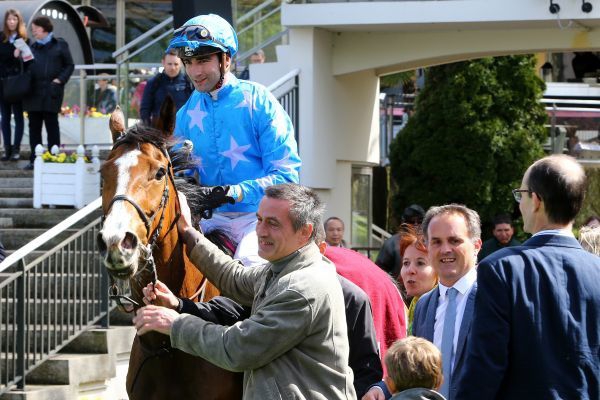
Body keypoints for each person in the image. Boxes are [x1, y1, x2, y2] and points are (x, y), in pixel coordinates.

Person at [133, 184, 356, 399]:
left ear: (305, 232)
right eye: (259, 220)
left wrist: (175, 324)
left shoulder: (300, 288)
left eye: (273, 223)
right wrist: (188, 232)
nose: (260, 231)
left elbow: (238, 348)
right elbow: (235, 278)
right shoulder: (283, 269)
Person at [455, 154, 600, 400]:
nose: (519, 204)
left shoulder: (501, 268)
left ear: (535, 200)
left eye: (520, 194)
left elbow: (485, 366)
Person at [167, 14, 300, 267]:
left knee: (248, 265)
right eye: (189, 62)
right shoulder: (185, 115)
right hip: (208, 219)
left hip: (258, 217)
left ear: (226, 59)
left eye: (203, 60)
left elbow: (287, 176)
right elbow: (178, 178)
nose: (195, 72)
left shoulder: (259, 101)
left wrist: (232, 192)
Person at [364, 204, 481, 400]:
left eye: (454, 240)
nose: (445, 249)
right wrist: (382, 389)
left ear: (476, 245)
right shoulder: (424, 305)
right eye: (436, 242)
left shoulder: (495, 299)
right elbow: (416, 368)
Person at [22, 16, 73, 170]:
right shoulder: (31, 47)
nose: (33, 32)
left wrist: (60, 80)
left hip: (52, 91)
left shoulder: (60, 45)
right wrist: (20, 56)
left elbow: (69, 65)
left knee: (52, 125)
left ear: (44, 28)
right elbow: (25, 68)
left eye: (36, 28)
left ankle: (53, 156)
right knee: (34, 127)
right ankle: (34, 159)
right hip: (34, 92)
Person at [398, 225, 437, 335]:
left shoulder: (442, 307)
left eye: (420, 263)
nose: (410, 270)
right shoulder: (415, 303)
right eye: (406, 263)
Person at [0, 9, 28, 161]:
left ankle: (16, 148)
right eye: (9, 19)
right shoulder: (1, 37)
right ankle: (7, 149)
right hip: (3, 82)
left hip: (17, 83)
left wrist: (20, 55)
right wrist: (12, 54)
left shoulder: (24, 39)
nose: (11, 22)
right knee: (4, 117)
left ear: (18, 22)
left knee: (18, 116)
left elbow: (30, 60)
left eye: (14, 20)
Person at [140, 49, 193, 125]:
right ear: (163, 63)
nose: (173, 67)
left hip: (183, 130)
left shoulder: (189, 83)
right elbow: (145, 109)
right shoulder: (154, 83)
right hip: (158, 130)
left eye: (176, 64)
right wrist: (148, 130)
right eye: (169, 64)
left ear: (181, 63)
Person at [376, 204, 425, 279]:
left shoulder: (431, 242)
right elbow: (379, 272)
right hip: (398, 288)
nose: (416, 225)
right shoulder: (391, 244)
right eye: (411, 221)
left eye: (420, 221)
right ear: (403, 222)